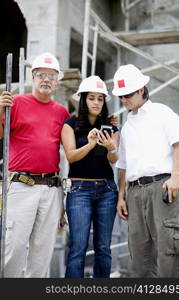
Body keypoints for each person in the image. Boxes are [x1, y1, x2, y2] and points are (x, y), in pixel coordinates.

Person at [0, 52, 70, 277]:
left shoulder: (61, 112)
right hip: (21, 186)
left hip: (51, 188)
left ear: (57, 80)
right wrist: (0, 109)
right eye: (41, 74)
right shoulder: (15, 103)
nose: (46, 79)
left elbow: (73, 146)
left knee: (42, 253)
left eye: (51, 75)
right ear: (33, 76)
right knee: (13, 248)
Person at [113, 64, 179, 278]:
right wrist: (121, 197)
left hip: (162, 188)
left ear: (141, 90)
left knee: (169, 252)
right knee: (140, 256)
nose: (124, 100)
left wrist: (175, 177)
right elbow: (123, 166)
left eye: (127, 95)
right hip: (134, 193)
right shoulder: (127, 126)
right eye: (121, 97)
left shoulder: (162, 113)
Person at [61, 75, 119, 278]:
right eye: (92, 98)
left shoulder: (111, 127)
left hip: (107, 190)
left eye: (100, 98)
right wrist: (91, 143)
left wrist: (111, 147)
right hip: (79, 191)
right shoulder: (70, 124)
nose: (96, 102)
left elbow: (113, 159)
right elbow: (71, 156)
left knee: (103, 247)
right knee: (78, 247)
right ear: (83, 99)